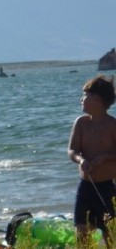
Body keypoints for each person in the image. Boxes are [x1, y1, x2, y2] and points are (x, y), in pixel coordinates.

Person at [68, 75, 116, 247]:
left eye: (85, 96)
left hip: (108, 188)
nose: (81, 99)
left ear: (96, 100)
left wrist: (106, 158)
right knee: (82, 233)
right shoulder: (81, 123)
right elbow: (72, 150)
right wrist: (81, 160)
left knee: (111, 235)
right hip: (85, 187)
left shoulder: (112, 125)